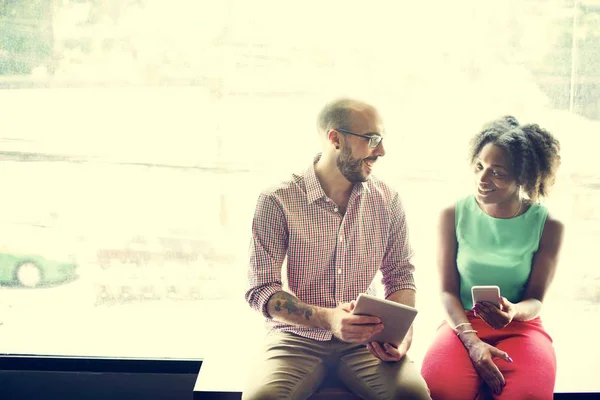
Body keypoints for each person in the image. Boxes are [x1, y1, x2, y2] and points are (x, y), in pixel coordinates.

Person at [243, 98, 431, 400]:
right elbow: (261, 291)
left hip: (366, 341)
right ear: (335, 139)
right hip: (295, 338)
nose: (381, 151)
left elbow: (400, 276)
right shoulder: (277, 199)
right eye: (372, 140)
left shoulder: (388, 200)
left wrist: (401, 337)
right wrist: (328, 319)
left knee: (412, 395)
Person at [420, 116, 564, 400]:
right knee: (440, 392)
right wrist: (470, 339)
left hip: (521, 326)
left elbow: (535, 300)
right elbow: (447, 292)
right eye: (479, 167)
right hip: (461, 323)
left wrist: (512, 312)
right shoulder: (452, 215)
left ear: (522, 178)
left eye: (497, 172)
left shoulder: (548, 225)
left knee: (528, 396)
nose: (482, 180)